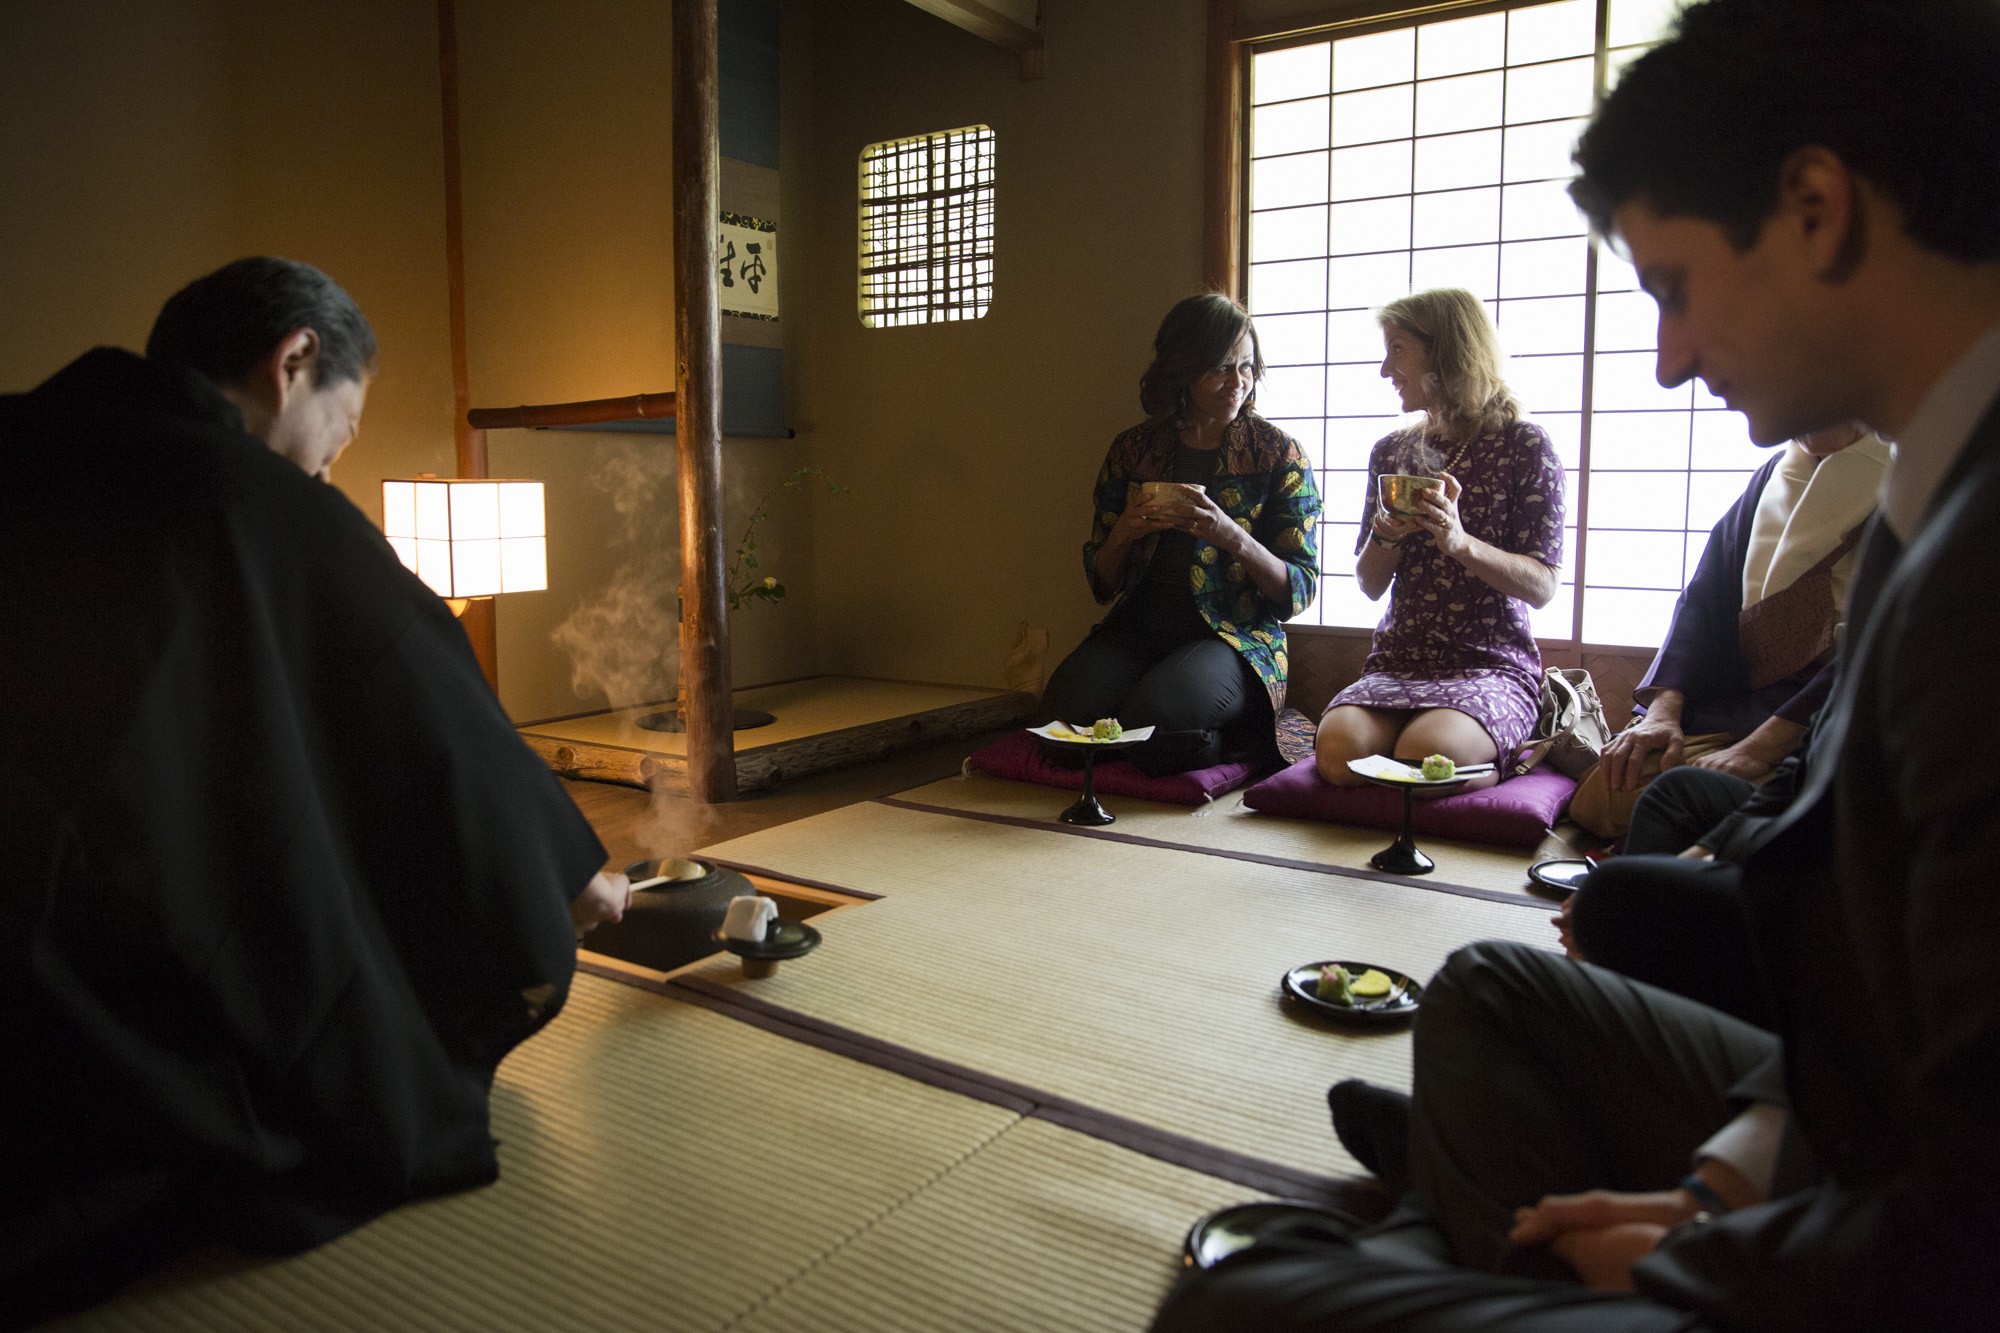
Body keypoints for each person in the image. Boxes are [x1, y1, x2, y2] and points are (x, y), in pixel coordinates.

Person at [1154, 1, 2000, 1329]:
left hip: (1891, 1256)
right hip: (1840, 1138)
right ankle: (1462, 1207)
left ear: (1816, 209)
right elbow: (1885, 1025)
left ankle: (1454, 1211)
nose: (1663, 359)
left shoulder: (1969, 560)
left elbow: (1968, 1220)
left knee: (1240, 1307)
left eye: (1671, 286)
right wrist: (1727, 1175)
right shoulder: (1929, 496)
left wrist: (1708, 1252)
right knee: (1490, 981)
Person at [0, 258, 631, 1325]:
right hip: (100, 1009)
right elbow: (426, 715)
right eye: (333, 441)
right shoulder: (250, 502)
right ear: (293, 359)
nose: (326, 475)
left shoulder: (25, 439)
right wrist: (563, 871)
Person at [1040, 293, 1322, 775]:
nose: (1238, 383)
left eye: (1248, 368)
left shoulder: (1277, 453)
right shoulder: (1134, 448)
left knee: (1158, 729)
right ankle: (1158, 716)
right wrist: (1124, 532)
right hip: (1140, 628)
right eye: (1221, 368)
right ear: (1183, 369)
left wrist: (1231, 535)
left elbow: (1299, 588)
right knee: (1059, 725)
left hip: (1232, 637)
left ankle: (1231, 731)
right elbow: (1102, 583)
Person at [1570, 422, 1888, 837]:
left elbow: (1878, 643)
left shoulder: (1901, 481)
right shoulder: (1773, 474)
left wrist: (1761, 748)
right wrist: (1664, 712)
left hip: (1828, 715)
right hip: (1739, 701)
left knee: (1686, 806)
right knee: (1605, 793)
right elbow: (1704, 598)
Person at [1313, 288, 1565, 795]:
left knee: (1424, 759)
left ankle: (1503, 762)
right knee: (1338, 755)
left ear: (1446, 351)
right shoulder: (1392, 451)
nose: (1386, 369)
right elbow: (1368, 584)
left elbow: (1542, 586)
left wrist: (1459, 542)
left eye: (1398, 349)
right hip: (1399, 659)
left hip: (1490, 664)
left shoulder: (1524, 446)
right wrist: (1387, 534)